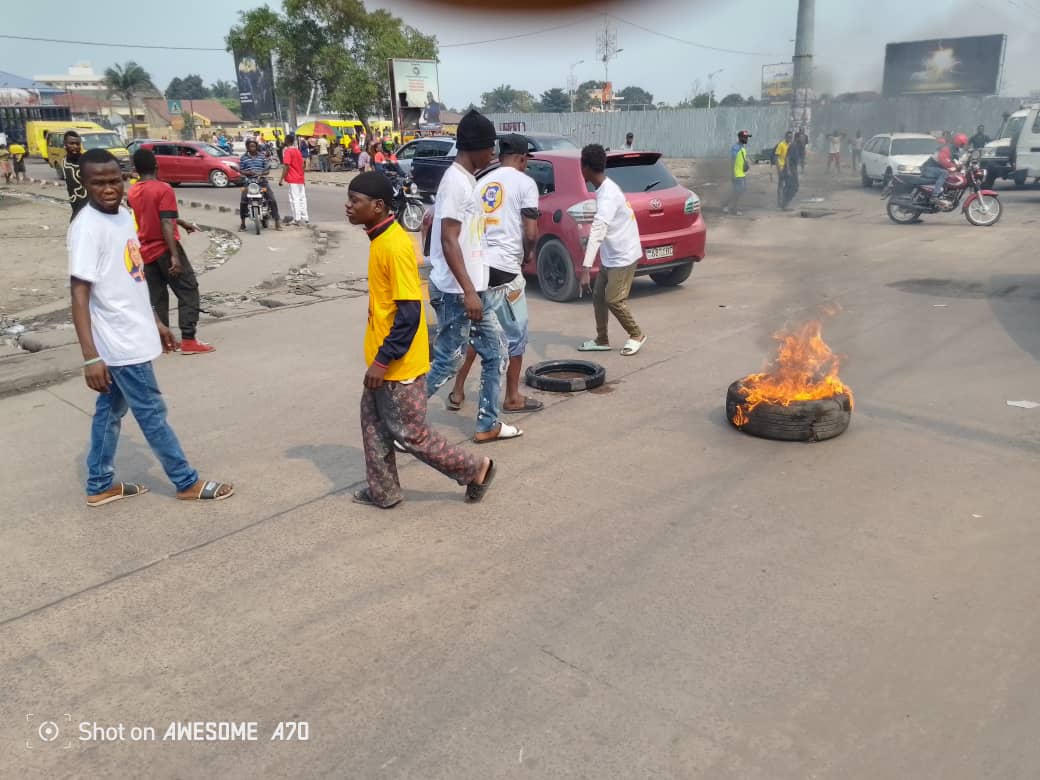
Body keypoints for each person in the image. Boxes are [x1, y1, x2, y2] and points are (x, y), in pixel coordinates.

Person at [68, 148, 233, 506]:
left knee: (110, 410)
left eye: (115, 180)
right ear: (84, 183)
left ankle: (98, 484)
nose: (109, 188)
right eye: (99, 183)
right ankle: (185, 481)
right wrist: (89, 358)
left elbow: (133, 279)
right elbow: (79, 296)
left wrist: (156, 321)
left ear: (125, 177)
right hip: (119, 341)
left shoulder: (124, 217)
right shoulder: (86, 228)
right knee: (151, 412)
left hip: (134, 330)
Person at [345, 171, 497, 508]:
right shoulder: (379, 239)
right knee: (373, 426)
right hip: (383, 362)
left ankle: (476, 469)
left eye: (355, 201)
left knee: (411, 434)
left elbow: (410, 315)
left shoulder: (395, 246)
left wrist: (383, 362)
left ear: (379, 206)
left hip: (397, 366)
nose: (348, 207)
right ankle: (383, 491)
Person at [425, 109, 521, 444]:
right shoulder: (455, 183)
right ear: (472, 148)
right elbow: (448, 240)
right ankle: (401, 418)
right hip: (456, 291)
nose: (493, 154)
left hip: (471, 290)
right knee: (448, 361)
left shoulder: (468, 180)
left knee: (496, 352)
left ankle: (487, 424)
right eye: (489, 148)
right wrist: (468, 291)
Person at [449, 134, 543, 415]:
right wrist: (528, 253)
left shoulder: (480, 182)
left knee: (479, 332)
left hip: (478, 269)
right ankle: (512, 397)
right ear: (523, 159)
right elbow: (530, 231)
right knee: (516, 336)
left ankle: (457, 390)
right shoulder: (525, 183)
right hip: (506, 271)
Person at [127, 149, 214, 355]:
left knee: (157, 294)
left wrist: (181, 222)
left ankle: (163, 339)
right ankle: (188, 339)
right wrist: (174, 254)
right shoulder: (163, 189)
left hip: (145, 249)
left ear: (136, 169)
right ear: (156, 165)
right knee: (188, 288)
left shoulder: (133, 191)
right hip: (164, 247)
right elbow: (165, 221)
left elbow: (151, 216)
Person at [576, 143, 647, 357]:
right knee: (598, 297)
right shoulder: (604, 188)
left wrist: (586, 268)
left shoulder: (607, 195)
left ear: (585, 167)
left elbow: (598, 229)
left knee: (614, 299)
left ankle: (636, 334)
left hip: (624, 256)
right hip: (612, 253)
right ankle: (602, 339)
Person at [238, 139, 281, 232]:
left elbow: (267, 169)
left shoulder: (262, 157)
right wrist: (248, 172)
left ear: (256, 147)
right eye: (250, 146)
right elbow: (241, 170)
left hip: (261, 182)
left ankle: (277, 221)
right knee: (243, 201)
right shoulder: (243, 158)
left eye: (254, 146)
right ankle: (242, 224)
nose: (252, 148)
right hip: (248, 182)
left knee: (272, 199)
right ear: (247, 147)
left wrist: (262, 174)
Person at [921, 132, 968, 204]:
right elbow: (943, 161)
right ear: (958, 142)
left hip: (935, 169)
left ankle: (945, 193)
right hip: (928, 168)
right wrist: (954, 166)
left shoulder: (955, 149)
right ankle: (934, 196)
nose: (963, 145)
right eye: (962, 143)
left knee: (951, 175)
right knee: (944, 173)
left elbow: (956, 160)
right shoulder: (947, 148)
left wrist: (961, 166)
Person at [278, 132, 309, 226]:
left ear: (287, 141)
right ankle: (305, 217)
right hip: (300, 178)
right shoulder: (297, 151)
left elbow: (286, 166)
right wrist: (303, 177)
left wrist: (281, 179)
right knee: (302, 198)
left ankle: (297, 218)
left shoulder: (288, 151)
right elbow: (303, 165)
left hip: (293, 178)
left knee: (294, 198)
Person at [723, 130, 751, 215]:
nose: (747, 139)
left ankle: (727, 205)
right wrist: (732, 174)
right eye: (745, 137)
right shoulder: (735, 148)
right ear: (740, 138)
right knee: (738, 192)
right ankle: (734, 209)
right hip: (737, 174)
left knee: (738, 192)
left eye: (747, 137)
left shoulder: (742, 148)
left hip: (742, 174)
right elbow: (732, 161)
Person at [63, 130, 89, 220]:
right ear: (65, 144)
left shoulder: (86, 160)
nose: (75, 146)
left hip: (89, 205)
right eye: (72, 143)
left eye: (78, 144)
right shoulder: (64, 161)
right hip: (75, 203)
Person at [774, 131, 791, 209]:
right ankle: (779, 202)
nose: (789, 138)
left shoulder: (790, 145)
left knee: (786, 185)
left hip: (787, 168)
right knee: (781, 185)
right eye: (788, 137)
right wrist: (778, 169)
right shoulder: (781, 144)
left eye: (791, 137)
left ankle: (783, 201)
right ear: (785, 137)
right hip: (781, 167)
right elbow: (776, 157)